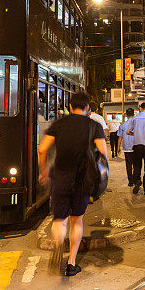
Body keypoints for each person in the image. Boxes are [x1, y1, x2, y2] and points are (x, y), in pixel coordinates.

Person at [37, 93, 106, 277]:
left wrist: (43, 171)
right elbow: (103, 153)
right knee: (77, 220)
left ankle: (59, 244)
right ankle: (71, 263)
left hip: (60, 178)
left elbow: (42, 149)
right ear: (88, 107)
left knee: (60, 219)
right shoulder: (94, 126)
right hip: (83, 181)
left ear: (69, 106)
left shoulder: (59, 124)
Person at [117, 109, 136, 186]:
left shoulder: (122, 125)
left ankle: (130, 182)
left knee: (128, 165)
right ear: (134, 114)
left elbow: (120, 137)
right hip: (136, 147)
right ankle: (136, 180)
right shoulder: (136, 124)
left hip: (127, 147)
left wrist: (118, 147)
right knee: (136, 165)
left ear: (126, 115)